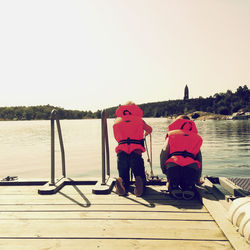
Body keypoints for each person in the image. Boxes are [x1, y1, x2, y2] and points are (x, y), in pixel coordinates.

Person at [113, 101, 152, 197]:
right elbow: (149, 129)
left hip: (122, 151)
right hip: (136, 150)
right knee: (138, 171)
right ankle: (139, 181)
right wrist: (145, 134)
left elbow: (117, 137)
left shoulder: (117, 121)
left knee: (123, 173)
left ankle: (121, 181)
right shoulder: (139, 120)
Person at [160, 115, 203, 200]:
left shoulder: (172, 135)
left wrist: (164, 170)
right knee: (188, 183)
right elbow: (199, 159)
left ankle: (173, 187)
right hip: (190, 168)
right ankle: (188, 187)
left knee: (173, 181)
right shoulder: (195, 137)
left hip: (173, 166)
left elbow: (164, 152)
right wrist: (198, 178)